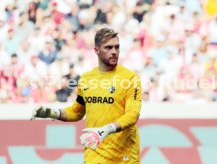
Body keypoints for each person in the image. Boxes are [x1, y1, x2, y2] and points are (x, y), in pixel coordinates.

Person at [32, 28, 142, 163]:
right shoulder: (86, 79)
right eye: (108, 47)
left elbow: (133, 115)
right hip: (94, 154)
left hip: (123, 157)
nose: (114, 52)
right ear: (96, 50)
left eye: (117, 47)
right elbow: (77, 111)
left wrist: (106, 130)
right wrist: (53, 113)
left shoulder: (130, 78)